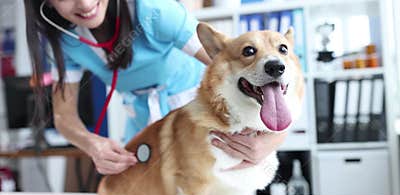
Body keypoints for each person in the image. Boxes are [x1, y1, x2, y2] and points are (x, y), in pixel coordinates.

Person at [24, 0, 287, 175]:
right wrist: (93, 145)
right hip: (144, 123)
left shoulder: (154, 9)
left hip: (204, 115)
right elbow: (63, 117)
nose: (84, 3)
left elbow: (243, 71)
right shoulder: (63, 41)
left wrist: (273, 139)